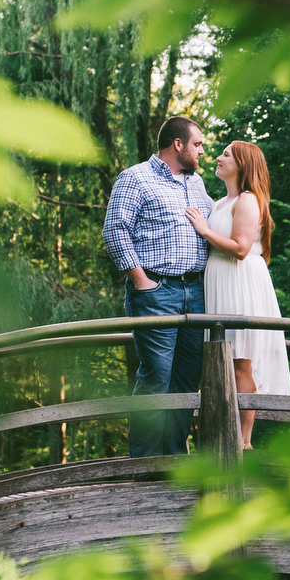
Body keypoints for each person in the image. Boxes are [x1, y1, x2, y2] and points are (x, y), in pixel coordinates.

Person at [102, 115, 215, 456]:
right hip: (156, 292)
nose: (202, 152)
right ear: (177, 144)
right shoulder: (135, 178)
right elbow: (115, 231)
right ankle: (145, 466)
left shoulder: (197, 184)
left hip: (196, 293)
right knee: (156, 378)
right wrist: (142, 282)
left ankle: (175, 461)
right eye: (197, 144)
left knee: (184, 380)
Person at [185, 139, 290, 447]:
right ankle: (224, 434)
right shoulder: (219, 203)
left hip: (240, 280)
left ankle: (243, 441)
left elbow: (242, 249)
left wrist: (205, 231)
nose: (217, 157)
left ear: (242, 164)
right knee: (225, 360)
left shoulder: (247, 200)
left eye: (225, 154)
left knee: (241, 359)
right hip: (220, 281)